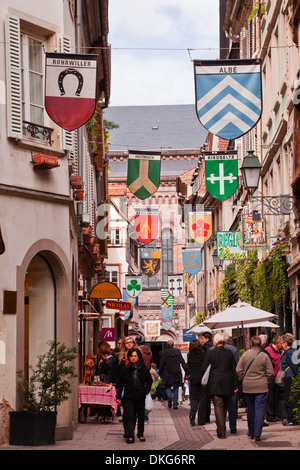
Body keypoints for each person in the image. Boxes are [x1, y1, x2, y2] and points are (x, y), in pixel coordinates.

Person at [236, 336, 274, 441]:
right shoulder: (264, 356)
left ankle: (251, 432)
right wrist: (266, 381)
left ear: (250, 344)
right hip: (261, 386)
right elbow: (270, 372)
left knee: (251, 410)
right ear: (261, 344)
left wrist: (243, 379)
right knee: (260, 409)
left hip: (248, 386)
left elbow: (238, 370)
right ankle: (257, 433)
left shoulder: (245, 355)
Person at [201, 333, 238, 439]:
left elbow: (203, 368)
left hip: (215, 383)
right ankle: (222, 427)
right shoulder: (229, 353)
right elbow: (233, 370)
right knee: (225, 406)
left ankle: (221, 431)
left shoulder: (211, 353)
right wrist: (235, 385)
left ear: (215, 341)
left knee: (218, 406)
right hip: (227, 382)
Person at [116, 348, 152, 444]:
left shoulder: (143, 368)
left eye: (135, 356)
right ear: (129, 357)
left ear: (139, 357)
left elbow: (149, 380)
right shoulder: (125, 369)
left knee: (141, 416)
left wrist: (146, 391)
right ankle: (130, 435)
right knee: (130, 416)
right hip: (129, 396)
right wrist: (118, 396)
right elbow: (119, 383)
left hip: (140, 396)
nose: (133, 358)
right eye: (131, 356)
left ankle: (140, 434)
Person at [159, 339, 190, 410]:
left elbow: (162, 363)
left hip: (167, 373)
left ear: (167, 345)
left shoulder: (165, 352)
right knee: (176, 388)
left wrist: (160, 372)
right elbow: (182, 362)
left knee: (167, 386)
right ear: (173, 345)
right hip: (176, 372)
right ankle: (175, 405)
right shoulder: (177, 352)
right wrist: (187, 371)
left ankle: (170, 396)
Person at [187, 339, 207, 426]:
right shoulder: (203, 354)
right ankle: (201, 420)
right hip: (202, 378)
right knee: (202, 399)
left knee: (194, 398)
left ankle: (192, 415)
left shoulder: (189, 355)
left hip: (193, 378)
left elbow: (189, 365)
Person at [280, 334, 299, 426]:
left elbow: (294, 366)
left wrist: (296, 378)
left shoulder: (289, 353)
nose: (281, 344)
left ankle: (292, 419)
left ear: (286, 343)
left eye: (282, 342)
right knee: (289, 399)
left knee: (289, 399)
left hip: (290, 378)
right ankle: (291, 418)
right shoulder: (291, 352)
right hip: (290, 377)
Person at [264, 335, 283, 422]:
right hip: (271, 378)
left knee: (276, 397)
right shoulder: (268, 350)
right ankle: (270, 415)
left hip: (278, 378)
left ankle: (275, 414)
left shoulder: (279, 351)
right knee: (270, 398)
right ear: (277, 343)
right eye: (281, 343)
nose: (282, 345)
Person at [223, 333, 239, 434]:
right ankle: (233, 427)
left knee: (220, 406)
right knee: (232, 405)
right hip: (231, 380)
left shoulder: (212, 350)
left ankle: (221, 426)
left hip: (219, 382)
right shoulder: (234, 349)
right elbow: (237, 366)